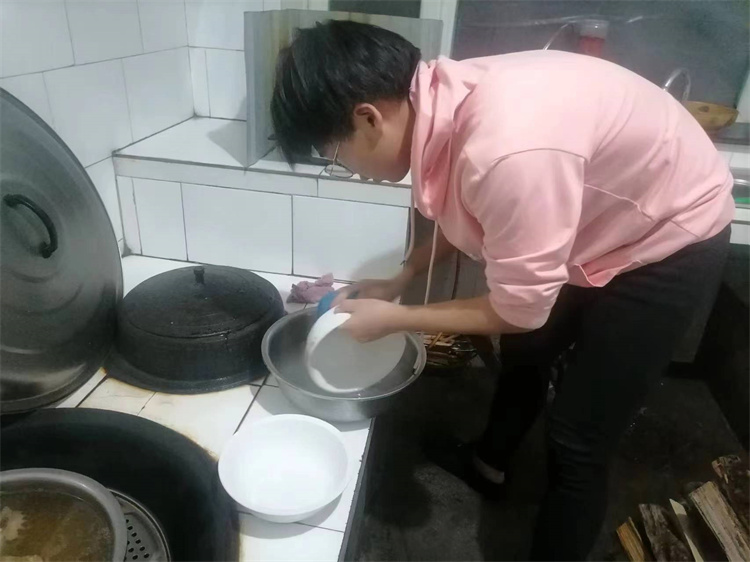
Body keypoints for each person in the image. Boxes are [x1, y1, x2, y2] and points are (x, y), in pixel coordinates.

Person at [271, 20, 734, 560]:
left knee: (579, 435)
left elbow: (521, 308)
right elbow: (473, 205)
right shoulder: (444, 99)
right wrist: (402, 277)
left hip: (669, 235)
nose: (346, 169)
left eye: (335, 156)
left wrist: (396, 318)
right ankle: (487, 466)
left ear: (368, 118)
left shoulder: (506, 146)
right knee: (527, 353)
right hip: (599, 218)